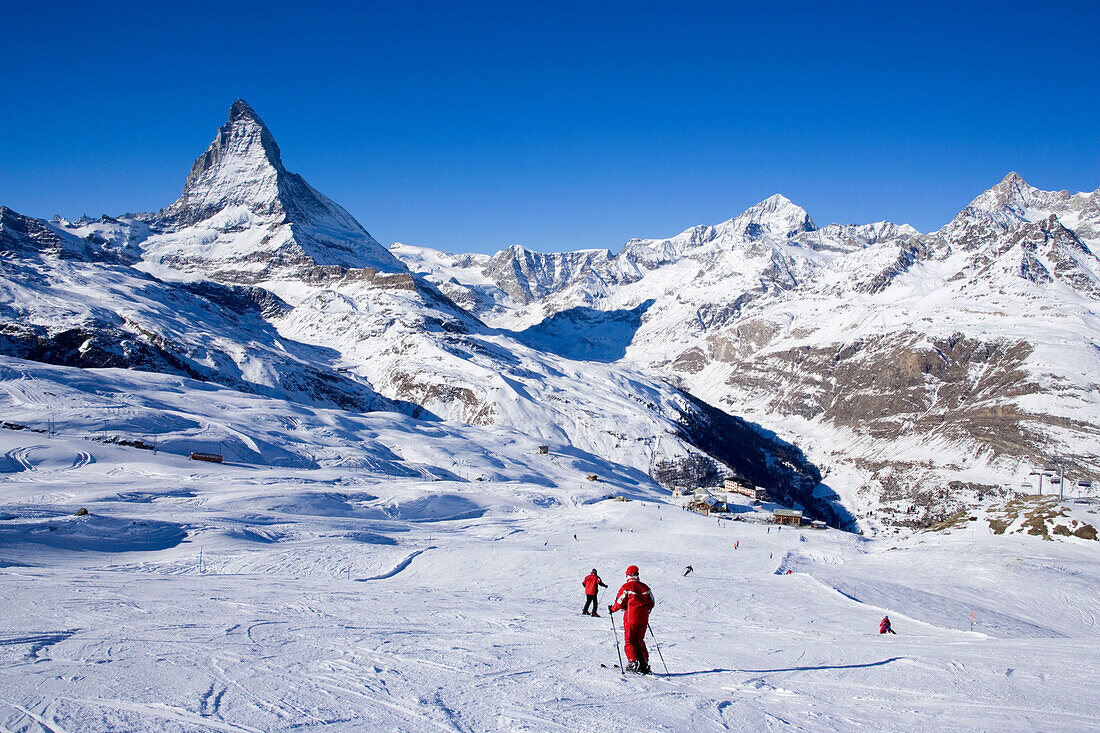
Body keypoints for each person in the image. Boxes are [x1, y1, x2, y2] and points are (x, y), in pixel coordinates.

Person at [608, 565, 655, 674]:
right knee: (639, 639)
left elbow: (620, 603)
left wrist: (612, 609)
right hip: (643, 617)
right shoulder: (645, 587)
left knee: (629, 639)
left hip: (631, 616)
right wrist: (647, 610)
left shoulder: (626, 587)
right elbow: (652, 602)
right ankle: (644, 663)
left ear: (628, 575)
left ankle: (633, 662)